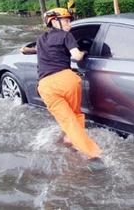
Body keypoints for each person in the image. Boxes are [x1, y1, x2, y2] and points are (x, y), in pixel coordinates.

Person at [21, 8, 102, 160]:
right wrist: (84, 52)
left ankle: (84, 149)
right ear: (53, 21)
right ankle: (82, 148)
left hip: (46, 86)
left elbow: (35, 50)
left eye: (69, 21)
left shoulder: (41, 39)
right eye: (66, 21)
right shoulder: (66, 36)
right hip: (67, 80)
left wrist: (25, 50)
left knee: (68, 119)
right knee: (75, 115)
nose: (69, 24)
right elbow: (77, 56)